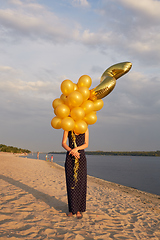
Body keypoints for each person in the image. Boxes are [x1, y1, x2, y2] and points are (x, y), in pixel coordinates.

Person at [62, 128, 89, 219]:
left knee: (80, 183)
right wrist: (71, 151)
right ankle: (71, 210)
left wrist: (77, 149)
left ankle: (78, 210)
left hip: (80, 156)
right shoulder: (68, 128)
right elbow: (63, 143)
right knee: (71, 182)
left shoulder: (84, 128)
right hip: (70, 156)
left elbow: (86, 144)